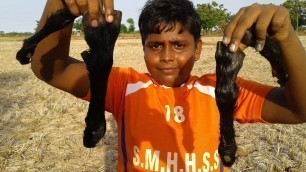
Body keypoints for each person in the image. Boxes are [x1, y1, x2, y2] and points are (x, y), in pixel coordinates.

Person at [31, 0, 306, 171]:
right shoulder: (125, 87)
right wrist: (60, 6)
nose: (166, 57)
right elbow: (52, 69)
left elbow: (298, 110)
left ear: (197, 49)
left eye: (179, 45)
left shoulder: (221, 90)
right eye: (155, 45)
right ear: (143, 48)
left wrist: (286, 37)